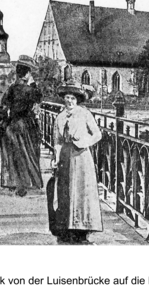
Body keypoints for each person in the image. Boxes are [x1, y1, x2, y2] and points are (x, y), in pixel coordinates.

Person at [52, 80, 103, 244]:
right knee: (65, 192)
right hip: (66, 156)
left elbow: (97, 134)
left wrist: (83, 141)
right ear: (63, 99)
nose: (69, 101)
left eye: (72, 98)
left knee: (81, 192)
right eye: (67, 97)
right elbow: (57, 141)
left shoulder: (85, 114)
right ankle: (66, 230)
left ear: (77, 99)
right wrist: (56, 157)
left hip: (81, 156)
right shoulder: (59, 117)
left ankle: (82, 231)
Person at [0, 55, 43, 196]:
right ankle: (28, 182)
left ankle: (13, 182)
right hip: (25, 124)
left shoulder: (12, 88)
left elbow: (4, 103)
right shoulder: (29, 89)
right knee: (28, 153)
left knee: (14, 154)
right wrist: (33, 84)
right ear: (27, 73)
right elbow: (38, 97)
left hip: (11, 124)